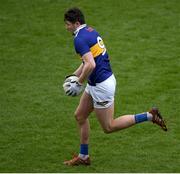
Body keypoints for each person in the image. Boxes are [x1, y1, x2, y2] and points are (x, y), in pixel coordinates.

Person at [63, 7, 167, 166]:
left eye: (68, 24)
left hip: (101, 86)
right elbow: (89, 60)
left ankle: (149, 116)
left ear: (77, 23)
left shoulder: (79, 39)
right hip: (98, 82)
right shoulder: (90, 31)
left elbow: (90, 64)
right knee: (80, 116)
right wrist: (74, 75)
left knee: (109, 127)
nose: (66, 27)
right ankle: (83, 157)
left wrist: (79, 82)